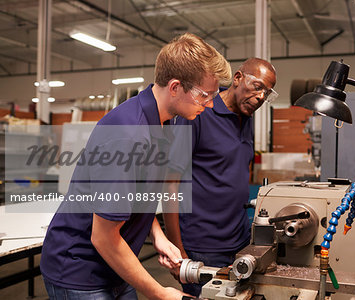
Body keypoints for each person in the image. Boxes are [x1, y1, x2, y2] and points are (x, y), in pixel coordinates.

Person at [40, 33, 231, 300]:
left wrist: (158, 236)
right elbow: (103, 237)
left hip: (115, 265)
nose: (210, 104)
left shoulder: (166, 121)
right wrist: (160, 293)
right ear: (175, 87)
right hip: (80, 270)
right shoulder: (128, 135)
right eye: (205, 95)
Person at [164, 57, 277, 296]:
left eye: (267, 93)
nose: (260, 98)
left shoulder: (246, 116)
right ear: (237, 78)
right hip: (203, 246)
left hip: (240, 241)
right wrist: (178, 252)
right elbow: (170, 184)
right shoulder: (198, 113)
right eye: (257, 87)